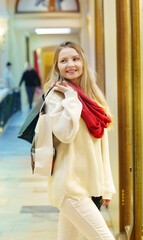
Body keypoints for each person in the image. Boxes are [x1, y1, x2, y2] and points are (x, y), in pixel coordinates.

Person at [44, 41, 116, 240]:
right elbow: (66, 133)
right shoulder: (55, 97)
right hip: (69, 188)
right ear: (57, 66)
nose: (70, 64)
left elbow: (101, 148)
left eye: (75, 59)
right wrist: (71, 98)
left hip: (86, 187)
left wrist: (106, 186)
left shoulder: (93, 98)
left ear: (83, 62)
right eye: (63, 60)